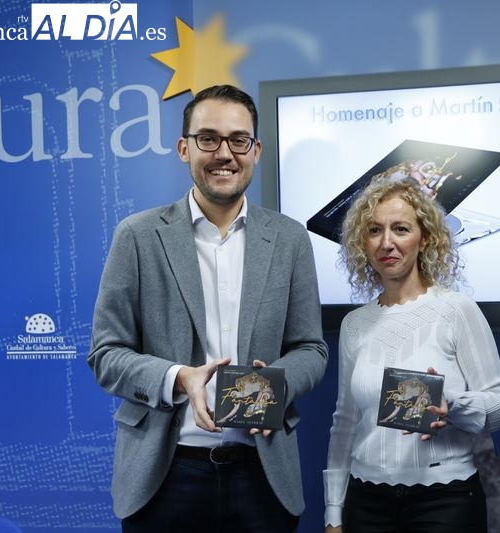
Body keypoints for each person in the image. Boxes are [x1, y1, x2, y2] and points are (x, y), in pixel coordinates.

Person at [88, 84, 328, 533]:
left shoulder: (289, 238)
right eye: (208, 139)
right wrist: (178, 378)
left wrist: (273, 387)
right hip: (164, 476)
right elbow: (106, 354)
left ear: (255, 150)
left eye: (238, 140)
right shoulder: (137, 236)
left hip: (263, 473)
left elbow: (311, 348)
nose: (224, 153)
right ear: (184, 148)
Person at [323, 178, 500, 532]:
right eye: (374, 230)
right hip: (366, 503)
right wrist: (333, 510)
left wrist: (453, 406)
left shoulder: (456, 310)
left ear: (425, 238)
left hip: (445, 501)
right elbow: (345, 421)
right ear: (362, 243)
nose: (387, 242)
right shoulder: (354, 324)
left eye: (401, 229)